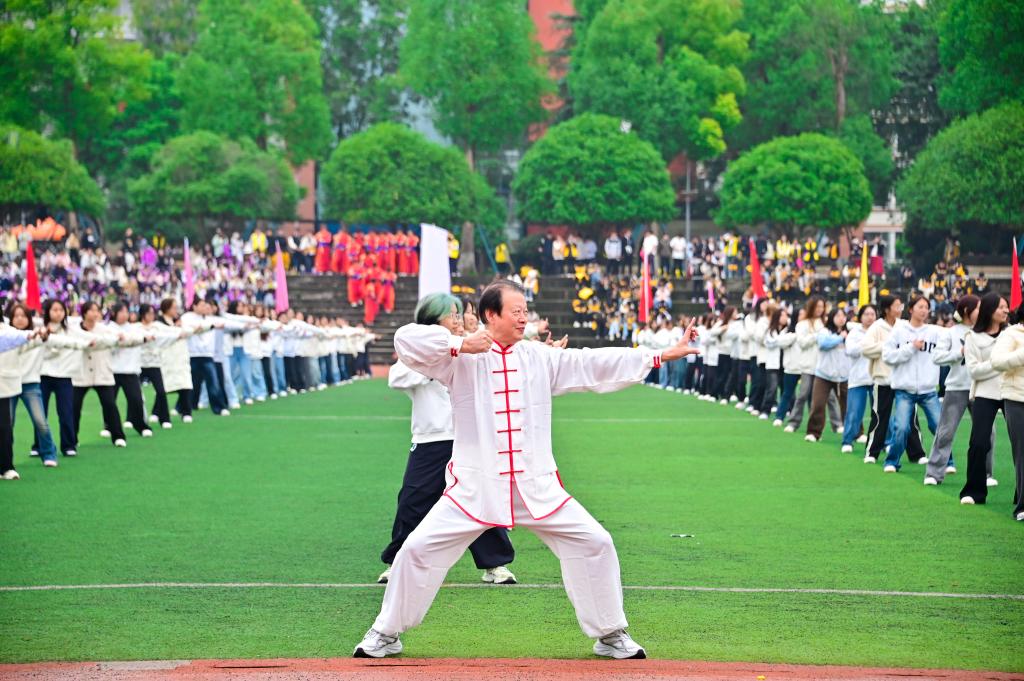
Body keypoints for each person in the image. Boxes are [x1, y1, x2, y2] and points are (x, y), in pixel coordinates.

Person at [353, 280, 700, 659]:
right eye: (516, 311)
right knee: (417, 549)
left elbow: (591, 363)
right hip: (475, 487)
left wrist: (661, 355)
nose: (523, 318)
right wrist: (459, 344)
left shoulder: (538, 356)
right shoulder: (461, 358)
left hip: (537, 487)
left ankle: (610, 633)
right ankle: (385, 632)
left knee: (595, 542)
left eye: (525, 311)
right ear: (491, 314)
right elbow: (405, 340)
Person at [381, 293, 518, 586]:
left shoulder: (472, 345)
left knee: (479, 498)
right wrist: (438, 362)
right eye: (452, 315)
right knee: (413, 501)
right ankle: (398, 563)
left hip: (466, 439)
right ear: (434, 319)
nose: (458, 320)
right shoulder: (416, 352)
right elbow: (396, 378)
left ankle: (495, 565)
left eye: (460, 314)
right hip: (430, 440)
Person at [880, 295, 944, 473]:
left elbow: (953, 336)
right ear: (910, 309)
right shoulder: (899, 332)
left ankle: (948, 462)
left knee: (939, 426)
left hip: (928, 389)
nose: (924, 311)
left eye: (926, 307)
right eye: (920, 307)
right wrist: (911, 348)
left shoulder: (934, 332)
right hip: (904, 390)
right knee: (901, 428)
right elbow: (887, 356)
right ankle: (892, 462)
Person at [860, 295, 927, 464]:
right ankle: (872, 452)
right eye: (897, 306)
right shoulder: (877, 327)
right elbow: (866, 349)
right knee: (880, 417)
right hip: (883, 379)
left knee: (910, 418)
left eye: (901, 305)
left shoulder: (904, 325)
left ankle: (917, 454)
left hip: (904, 380)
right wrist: (887, 346)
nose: (900, 309)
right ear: (887, 309)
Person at [924, 295, 980, 485]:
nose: (982, 311)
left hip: (980, 389)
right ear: (967, 311)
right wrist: (959, 353)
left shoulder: (983, 332)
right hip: (956, 388)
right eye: (978, 308)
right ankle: (933, 474)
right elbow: (937, 357)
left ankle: (986, 474)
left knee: (986, 433)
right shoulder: (950, 333)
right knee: (945, 432)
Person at [960, 293, 1007, 504]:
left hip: (1010, 393)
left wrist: (996, 364)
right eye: (1001, 307)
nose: (1005, 311)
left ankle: (1021, 495)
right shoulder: (972, 337)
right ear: (989, 309)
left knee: (1020, 445)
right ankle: (973, 491)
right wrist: (1000, 363)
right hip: (984, 394)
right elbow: (974, 371)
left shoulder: (1011, 334)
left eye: (1006, 307)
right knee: (979, 442)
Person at [8, 303, 59, 468]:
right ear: (11, 318)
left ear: (29, 318)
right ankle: (5, 460)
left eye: (23, 315)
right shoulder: (7, 337)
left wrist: (44, 335)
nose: (20, 319)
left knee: (40, 422)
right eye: (16, 316)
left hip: (31, 384)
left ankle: (49, 453)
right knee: (7, 424)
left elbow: (47, 340)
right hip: (9, 384)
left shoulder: (37, 335)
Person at [70, 301, 128, 448]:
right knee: (74, 407)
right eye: (92, 310)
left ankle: (118, 436)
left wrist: (119, 337)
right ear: (84, 313)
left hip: (101, 372)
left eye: (97, 310)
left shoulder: (105, 329)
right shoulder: (75, 330)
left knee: (110, 404)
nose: (95, 314)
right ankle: (72, 440)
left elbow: (116, 339)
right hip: (81, 373)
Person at [988, 301, 1024, 521]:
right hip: (1017, 399)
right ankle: (1022, 506)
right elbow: (997, 362)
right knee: (1022, 453)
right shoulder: (1011, 334)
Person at [39, 300, 87, 457]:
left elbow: (85, 338)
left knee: (66, 412)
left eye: (61, 310)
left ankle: (68, 445)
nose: (58, 313)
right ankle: (38, 445)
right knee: (40, 414)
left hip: (64, 376)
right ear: (48, 312)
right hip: (43, 375)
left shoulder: (70, 330)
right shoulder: (40, 329)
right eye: (54, 310)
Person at [805, 307, 849, 442]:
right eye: (837, 316)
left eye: (843, 316)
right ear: (831, 318)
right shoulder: (824, 331)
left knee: (848, 405)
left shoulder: (850, 333)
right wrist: (840, 338)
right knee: (818, 404)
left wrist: (844, 337)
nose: (841, 319)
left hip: (843, 375)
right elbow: (823, 343)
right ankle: (814, 433)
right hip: (823, 375)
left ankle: (856, 433)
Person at [840, 305, 877, 453]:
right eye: (866, 314)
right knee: (854, 412)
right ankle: (847, 441)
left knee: (880, 413)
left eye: (872, 314)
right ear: (860, 317)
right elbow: (851, 351)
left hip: (877, 378)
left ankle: (884, 442)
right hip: (858, 379)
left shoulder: (879, 331)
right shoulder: (855, 333)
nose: (870, 317)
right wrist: (866, 342)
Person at [761, 306, 794, 421]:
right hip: (773, 364)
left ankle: (789, 410)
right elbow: (768, 343)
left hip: (785, 364)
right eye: (782, 315)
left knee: (787, 389)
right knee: (772, 389)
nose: (785, 318)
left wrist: (777, 341)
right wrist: (780, 341)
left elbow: (787, 342)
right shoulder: (770, 330)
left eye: (786, 316)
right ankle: (765, 410)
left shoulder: (789, 330)